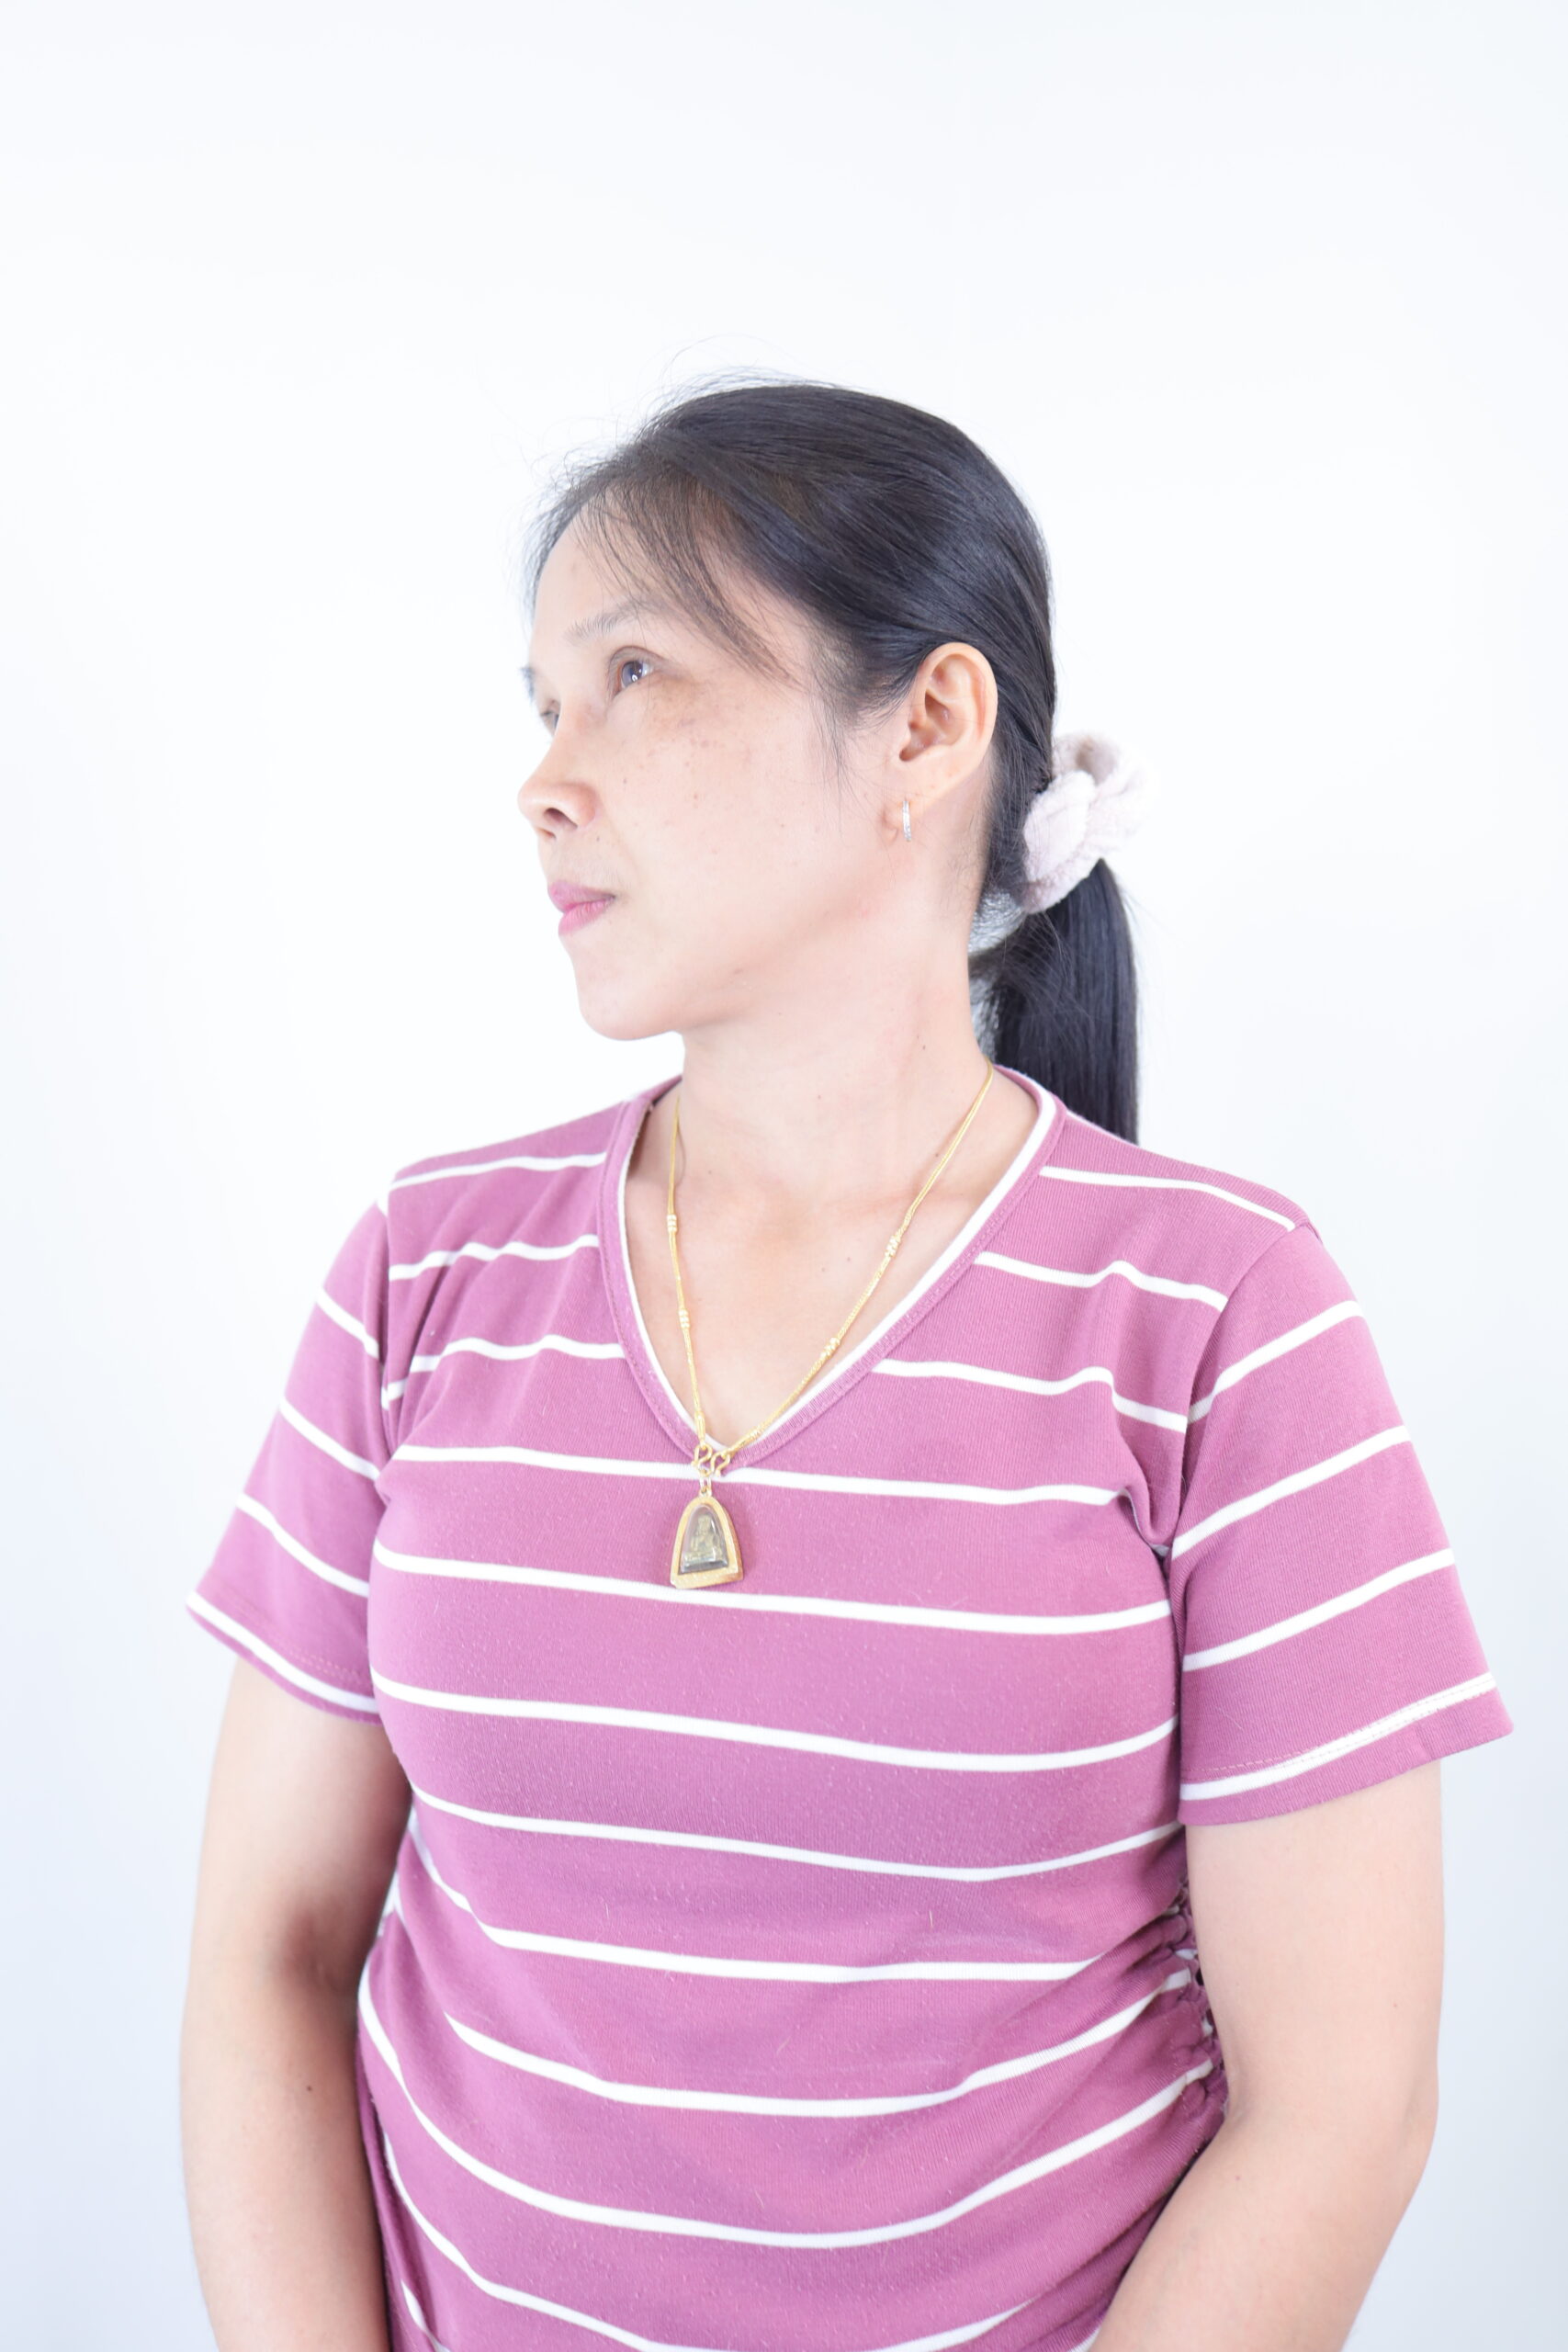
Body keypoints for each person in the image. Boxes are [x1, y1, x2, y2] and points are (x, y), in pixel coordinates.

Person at [179, 375, 1514, 2352]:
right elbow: (267, 1954)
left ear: (927, 726)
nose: (545, 778)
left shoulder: (1222, 1312)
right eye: (541, 703)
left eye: (634, 675)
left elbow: (1342, 2110)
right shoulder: (425, 1268)